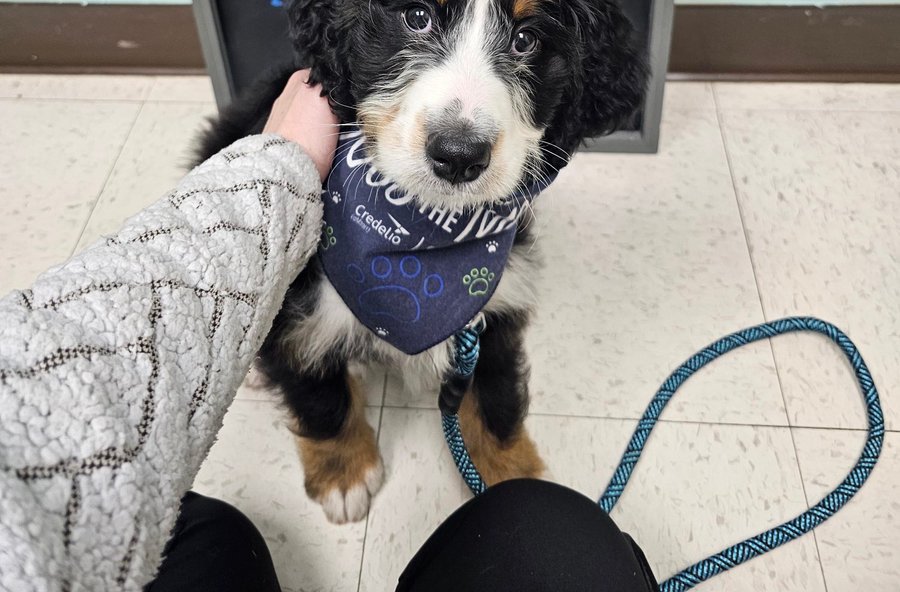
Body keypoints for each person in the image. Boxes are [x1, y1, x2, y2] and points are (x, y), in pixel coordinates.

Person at [0, 72, 657, 591]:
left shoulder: (500, 227)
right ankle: (338, 446)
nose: (464, 120)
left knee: (214, 538)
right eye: (418, 21)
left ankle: (496, 441)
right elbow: (287, 346)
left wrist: (502, 441)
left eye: (522, 38)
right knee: (297, 345)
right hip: (310, 202)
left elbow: (497, 342)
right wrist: (330, 442)